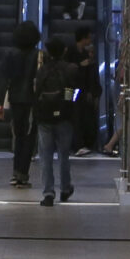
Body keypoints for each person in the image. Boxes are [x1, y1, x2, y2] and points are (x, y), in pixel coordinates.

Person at [32, 35, 83, 205]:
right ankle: (65, 188)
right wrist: (69, 105)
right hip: (64, 117)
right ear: (64, 51)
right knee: (64, 155)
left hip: (44, 118)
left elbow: (36, 92)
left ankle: (48, 193)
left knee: (45, 156)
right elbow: (74, 91)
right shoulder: (70, 69)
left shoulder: (42, 70)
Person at [0, 20, 40, 189]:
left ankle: (16, 172)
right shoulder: (38, 55)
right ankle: (23, 173)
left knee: (18, 136)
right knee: (29, 137)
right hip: (31, 100)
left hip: (15, 99)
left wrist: (0, 103)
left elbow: (3, 79)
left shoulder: (9, 54)